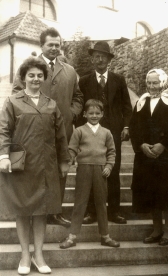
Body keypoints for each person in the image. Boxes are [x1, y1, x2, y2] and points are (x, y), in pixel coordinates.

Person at [0, 57, 71, 274]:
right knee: (22, 210)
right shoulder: (12, 102)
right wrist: (3, 155)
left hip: (46, 165)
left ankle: (38, 255)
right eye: (31, 75)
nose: (36, 79)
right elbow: (3, 131)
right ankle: (24, 255)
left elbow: (61, 136)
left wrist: (64, 160)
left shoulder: (51, 104)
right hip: (21, 165)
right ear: (23, 78)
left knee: (41, 211)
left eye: (40, 75)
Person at [12, 27, 83, 227]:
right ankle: (34, 212)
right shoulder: (29, 68)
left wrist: (72, 113)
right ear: (41, 45)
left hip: (63, 131)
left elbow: (78, 96)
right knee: (34, 170)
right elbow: (17, 92)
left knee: (61, 170)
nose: (54, 48)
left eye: (57, 45)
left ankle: (55, 212)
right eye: (50, 44)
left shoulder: (69, 70)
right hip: (34, 130)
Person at [129, 69, 168, 246]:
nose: (152, 86)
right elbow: (134, 128)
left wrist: (162, 145)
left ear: (163, 83)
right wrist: (141, 145)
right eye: (149, 82)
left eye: (155, 83)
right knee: (151, 193)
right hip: (146, 156)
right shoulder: (141, 102)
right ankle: (157, 230)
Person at [77, 41, 132, 224]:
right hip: (91, 132)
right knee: (93, 170)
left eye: (103, 56)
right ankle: (92, 212)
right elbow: (79, 107)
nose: (99, 60)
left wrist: (126, 127)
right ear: (92, 59)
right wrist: (79, 131)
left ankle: (114, 211)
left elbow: (126, 106)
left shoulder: (119, 80)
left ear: (109, 60)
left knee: (113, 170)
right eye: (96, 56)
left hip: (114, 132)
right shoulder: (84, 81)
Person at [60, 99, 120, 249]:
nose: (94, 115)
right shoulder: (79, 131)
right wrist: (70, 160)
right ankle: (72, 236)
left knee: (101, 203)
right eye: (91, 113)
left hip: (101, 170)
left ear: (102, 114)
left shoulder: (106, 132)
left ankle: (105, 236)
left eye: (97, 113)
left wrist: (109, 166)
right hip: (84, 169)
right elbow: (72, 149)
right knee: (80, 202)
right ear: (85, 114)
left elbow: (112, 152)